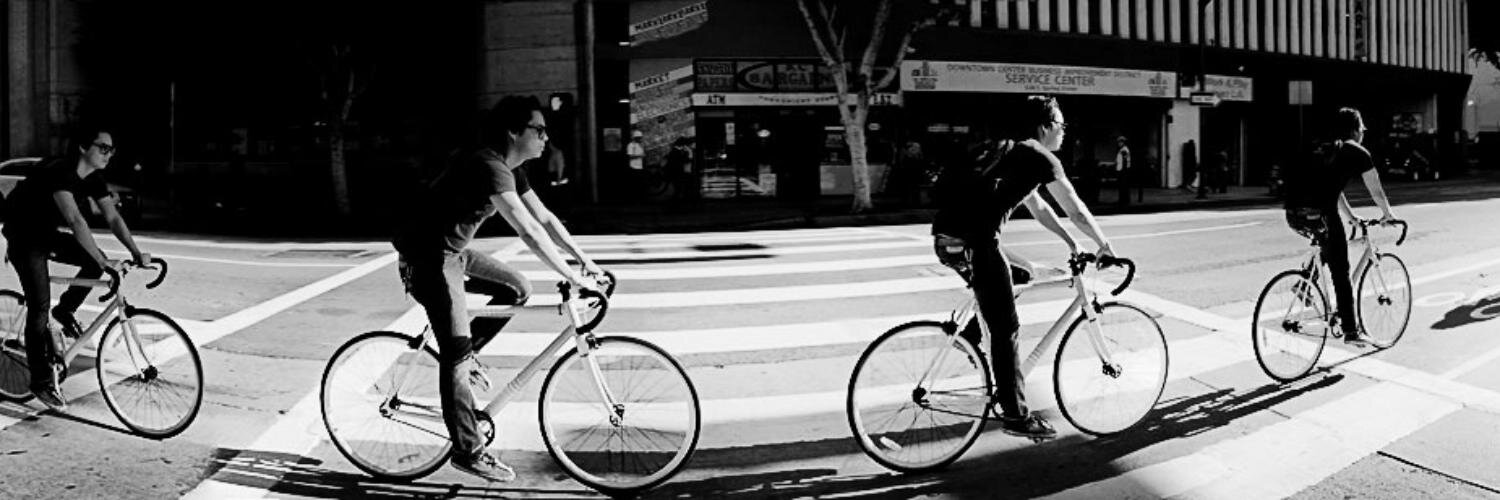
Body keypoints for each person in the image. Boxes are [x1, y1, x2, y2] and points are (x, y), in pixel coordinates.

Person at [391, 95, 604, 482]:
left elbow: (546, 218)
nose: (545, 137)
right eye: (538, 129)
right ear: (513, 132)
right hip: (428, 259)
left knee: (518, 288)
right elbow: (528, 230)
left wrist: (585, 261)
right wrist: (572, 277)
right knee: (454, 355)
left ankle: (467, 356)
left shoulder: (510, 167)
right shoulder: (487, 164)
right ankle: (467, 450)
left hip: (454, 253)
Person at [931, 95, 1118, 439]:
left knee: (1021, 274)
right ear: (1046, 126)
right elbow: (1074, 208)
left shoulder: (1015, 154)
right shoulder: (1041, 157)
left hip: (948, 238)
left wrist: (1072, 243)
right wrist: (1104, 245)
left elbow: (1040, 208)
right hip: (975, 243)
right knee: (1006, 329)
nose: (1064, 132)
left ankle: (971, 336)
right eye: (1061, 125)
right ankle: (1016, 416)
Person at [3, 126, 151, 410]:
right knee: (39, 306)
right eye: (103, 148)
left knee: (93, 259)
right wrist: (102, 261)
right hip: (24, 236)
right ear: (84, 147)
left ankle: (66, 310)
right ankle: (41, 382)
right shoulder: (61, 171)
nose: (109, 154)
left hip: (45, 233)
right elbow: (75, 220)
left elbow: (113, 217)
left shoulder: (93, 178)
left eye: (112, 149)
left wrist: (135, 252)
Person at [1282, 107, 1397, 346]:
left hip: (1294, 213)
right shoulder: (1358, 152)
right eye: (1362, 129)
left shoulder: (1325, 148)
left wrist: (1351, 216)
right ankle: (1351, 331)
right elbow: (1375, 189)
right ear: (1356, 130)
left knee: (1328, 243)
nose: (1363, 133)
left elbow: (1333, 189)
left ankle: (1305, 282)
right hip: (1321, 214)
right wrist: (1388, 214)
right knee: (1341, 271)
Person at [1114, 136, 1132, 206]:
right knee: (1123, 186)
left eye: (1119, 142)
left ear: (1122, 142)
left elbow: (1125, 161)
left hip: (1123, 171)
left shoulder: (1124, 150)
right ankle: (1124, 200)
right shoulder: (1122, 149)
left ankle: (1123, 200)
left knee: (1123, 186)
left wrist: (1123, 171)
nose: (1118, 143)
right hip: (1122, 170)